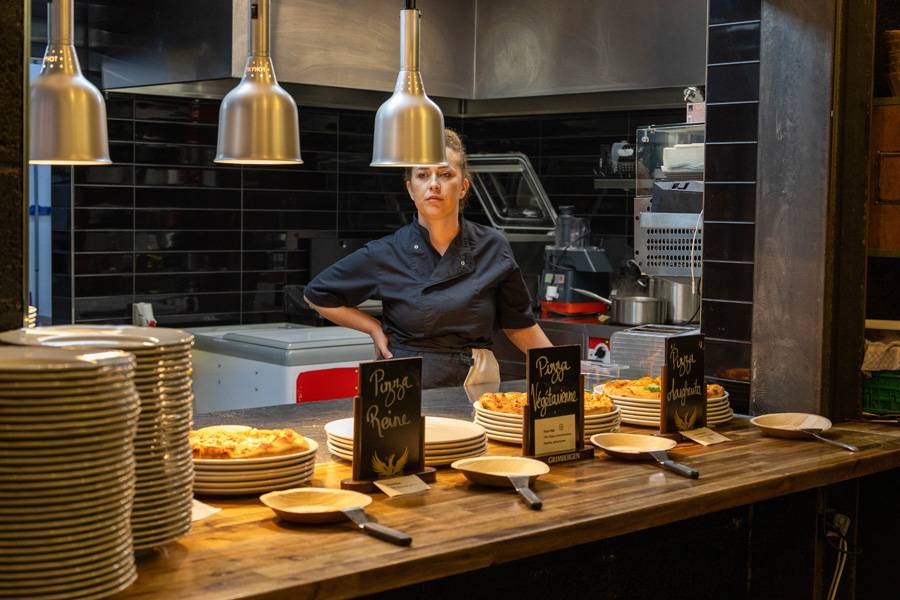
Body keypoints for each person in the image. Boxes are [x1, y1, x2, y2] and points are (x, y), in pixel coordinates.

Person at [304, 129, 552, 388]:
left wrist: (562, 373)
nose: (434, 183)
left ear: (463, 187)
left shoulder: (492, 246)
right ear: (411, 189)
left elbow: (520, 324)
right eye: (423, 175)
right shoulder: (385, 252)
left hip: (475, 384)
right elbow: (317, 294)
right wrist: (373, 327)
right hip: (402, 386)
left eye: (445, 174)